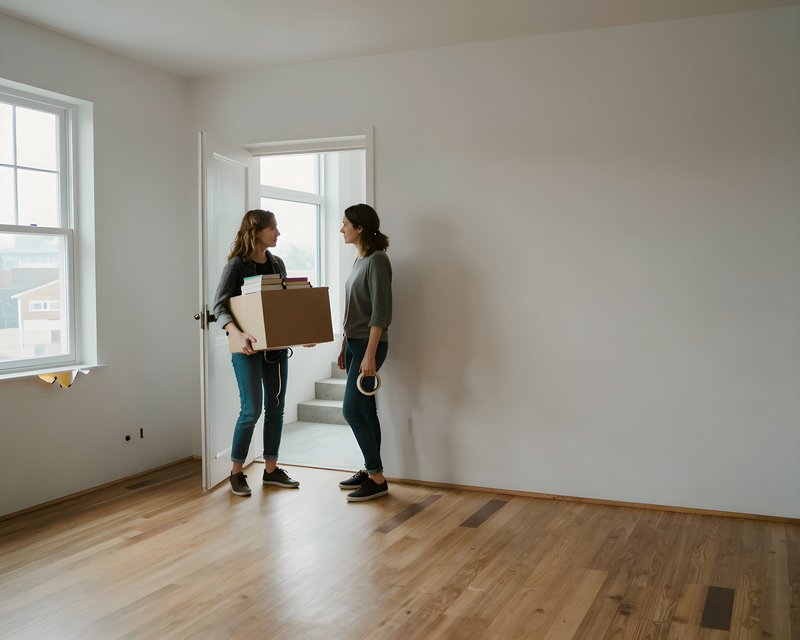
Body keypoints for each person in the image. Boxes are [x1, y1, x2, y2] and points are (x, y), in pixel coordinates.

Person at [213, 209, 300, 496]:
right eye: (273, 228)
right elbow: (219, 307)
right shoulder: (236, 266)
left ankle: (272, 470)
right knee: (251, 410)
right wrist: (237, 334)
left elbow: (284, 307)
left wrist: (302, 334)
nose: (278, 233)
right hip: (246, 350)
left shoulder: (277, 264)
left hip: (274, 350)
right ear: (256, 231)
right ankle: (236, 472)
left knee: (276, 410)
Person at [337, 203, 392, 502]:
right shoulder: (359, 260)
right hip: (355, 343)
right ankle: (372, 469)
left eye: (345, 224)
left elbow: (379, 315)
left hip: (371, 344)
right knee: (367, 411)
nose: (341, 229)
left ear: (359, 228)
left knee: (351, 410)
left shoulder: (377, 261)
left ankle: (377, 478)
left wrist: (369, 355)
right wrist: (344, 346)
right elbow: (353, 310)